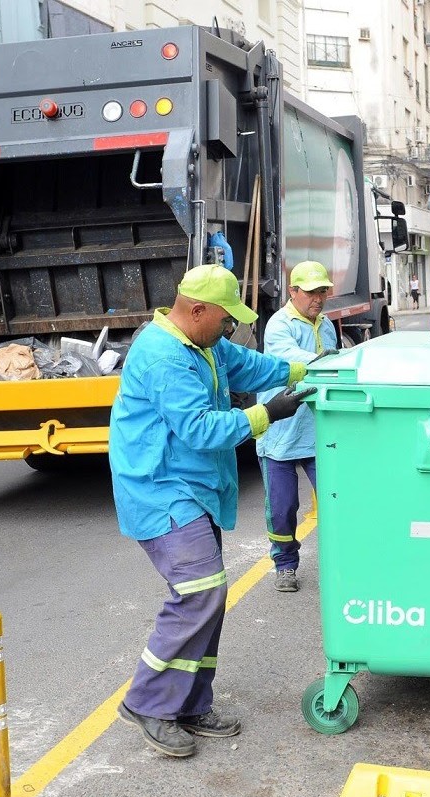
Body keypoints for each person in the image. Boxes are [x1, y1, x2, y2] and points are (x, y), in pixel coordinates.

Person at [109, 264, 314, 758]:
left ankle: (189, 703)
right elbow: (200, 428)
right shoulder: (164, 357)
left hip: (191, 488)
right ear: (196, 309)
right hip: (161, 489)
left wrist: (305, 369)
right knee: (200, 591)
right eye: (227, 318)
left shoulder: (204, 344)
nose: (232, 327)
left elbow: (248, 365)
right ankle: (148, 703)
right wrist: (269, 413)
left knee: (208, 598)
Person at [256, 261, 339, 592]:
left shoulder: (326, 324)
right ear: (293, 292)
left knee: (337, 501)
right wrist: (335, 360)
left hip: (318, 434)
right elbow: (298, 362)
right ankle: (285, 565)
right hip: (280, 435)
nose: (318, 299)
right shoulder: (280, 326)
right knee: (282, 508)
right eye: (311, 292)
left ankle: (343, 560)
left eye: (322, 291)